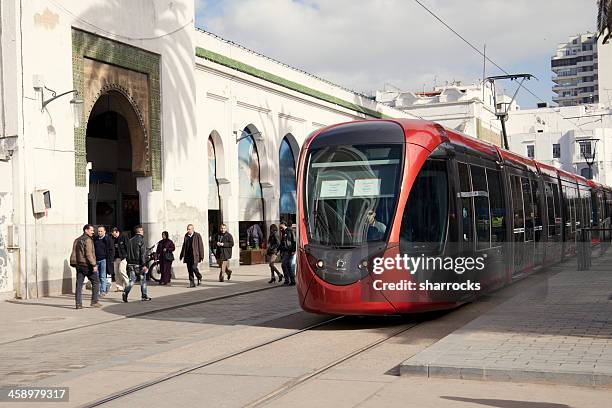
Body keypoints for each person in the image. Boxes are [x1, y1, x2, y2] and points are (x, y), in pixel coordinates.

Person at [70, 224, 102, 309]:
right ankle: (94, 301)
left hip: (79, 265)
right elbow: (89, 254)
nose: (93, 232)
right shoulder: (88, 240)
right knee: (96, 282)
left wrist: (74, 262)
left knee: (79, 285)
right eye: (91, 230)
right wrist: (94, 264)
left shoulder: (77, 240)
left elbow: (73, 253)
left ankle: (78, 304)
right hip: (87, 265)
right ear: (86, 230)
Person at [123, 225, 151, 302]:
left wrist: (128, 262)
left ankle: (125, 292)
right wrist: (144, 264)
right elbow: (142, 254)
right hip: (139, 263)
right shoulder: (141, 240)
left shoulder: (130, 240)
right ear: (140, 231)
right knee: (143, 279)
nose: (143, 232)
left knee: (132, 280)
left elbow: (127, 252)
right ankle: (144, 295)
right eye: (142, 230)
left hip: (130, 263)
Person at [94, 226, 114, 296]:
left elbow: (111, 250)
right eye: (99, 231)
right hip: (96, 260)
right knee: (96, 276)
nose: (99, 232)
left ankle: (103, 291)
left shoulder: (108, 239)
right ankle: (98, 290)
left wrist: (110, 260)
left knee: (102, 276)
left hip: (104, 260)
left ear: (105, 231)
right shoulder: (95, 239)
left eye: (101, 231)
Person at [111, 227, 129, 291]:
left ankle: (128, 284)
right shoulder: (112, 238)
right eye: (112, 234)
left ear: (117, 232)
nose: (113, 235)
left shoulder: (123, 237)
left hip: (122, 258)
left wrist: (127, 256)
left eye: (114, 234)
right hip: (115, 258)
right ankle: (119, 287)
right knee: (116, 272)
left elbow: (128, 246)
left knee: (122, 271)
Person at [279, 221, 296, 286]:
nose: (280, 227)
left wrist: (293, 250)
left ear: (283, 224)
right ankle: (292, 281)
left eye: (280, 225)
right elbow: (282, 242)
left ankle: (287, 280)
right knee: (288, 266)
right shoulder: (283, 232)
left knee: (284, 264)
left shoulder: (289, 231)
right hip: (285, 250)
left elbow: (294, 241)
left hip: (289, 250)